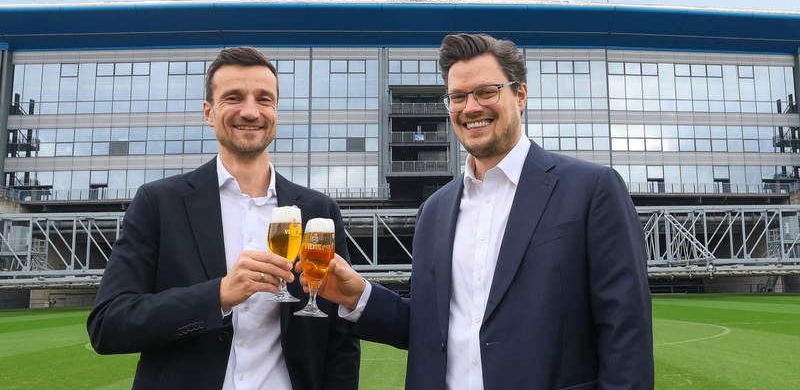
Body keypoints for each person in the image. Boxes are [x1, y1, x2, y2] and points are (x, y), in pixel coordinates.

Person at [309, 33, 654, 389]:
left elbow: (626, 331)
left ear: (520, 95)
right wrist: (357, 295)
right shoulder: (433, 211)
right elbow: (430, 328)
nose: (470, 107)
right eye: (457, 97)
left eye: (486, 92)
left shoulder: (592, 189)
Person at [87, 46, 360, 390]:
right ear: (209, 112)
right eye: (233, 97)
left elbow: (342, 340)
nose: (250, 111)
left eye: (264, 99)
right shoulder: (158, 203)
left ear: (276, 111)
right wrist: (217, 296)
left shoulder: (318, 212)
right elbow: (108, 325)